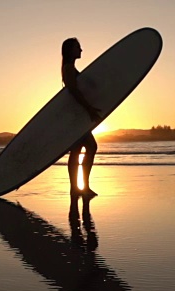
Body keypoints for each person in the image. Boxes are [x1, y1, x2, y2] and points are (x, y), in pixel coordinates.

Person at [62, 37, 101, 197]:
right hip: (76, 116)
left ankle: (79, 188)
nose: (81, 50)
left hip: (76, 116)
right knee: (89, 147)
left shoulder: (70, 68)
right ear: (70, 50)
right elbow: (74, 91)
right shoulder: (69, 68)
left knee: (79, 150)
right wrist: (89, 109)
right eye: (78, 47)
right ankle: (80, 188)